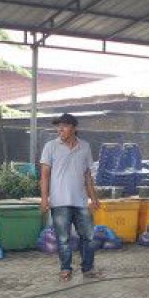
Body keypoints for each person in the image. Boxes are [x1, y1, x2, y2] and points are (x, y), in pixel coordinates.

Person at [39, 113, 101, 281]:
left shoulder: (85, 147)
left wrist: (93, 197)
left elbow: (88, 175)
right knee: (63, 239)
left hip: (81, 201)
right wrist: (44, 199)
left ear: (74, 128)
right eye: (58, 126)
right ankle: (66, 269)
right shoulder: (50, 146)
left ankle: (88, 268)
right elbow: (45, 175)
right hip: (59, 201)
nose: (60, 129)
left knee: (88, 237)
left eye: (64, 126)